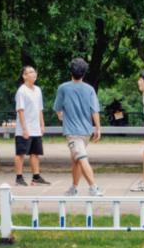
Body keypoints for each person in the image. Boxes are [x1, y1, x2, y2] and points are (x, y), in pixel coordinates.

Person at [53, 58, 103, 197]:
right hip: (86, 131)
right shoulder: (90, 89)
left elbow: (57, 108)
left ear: (71, 71)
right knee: (76, 160)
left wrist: (61, 115)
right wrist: (98, 128)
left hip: (73, 132)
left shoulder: (63, 88)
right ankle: (74, 189)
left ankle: (93, 187)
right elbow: (95, 110)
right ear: (84, 73)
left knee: (81, 158)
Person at [14, 66, 50, 186]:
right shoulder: (21, 91)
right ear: (24, 76)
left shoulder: (38, 90)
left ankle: (36, 176)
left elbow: (39, 109)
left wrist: (42, 124)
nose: (33, 74)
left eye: (34, 72)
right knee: (21, 154)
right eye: (30, 72)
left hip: (36, 128)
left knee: (35, 153)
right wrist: (24, 129)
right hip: (24, 129)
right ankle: (19, 177)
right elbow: (20, 110)